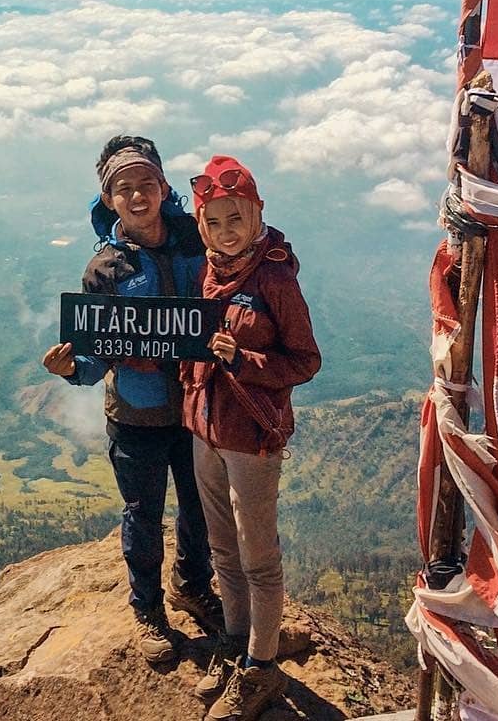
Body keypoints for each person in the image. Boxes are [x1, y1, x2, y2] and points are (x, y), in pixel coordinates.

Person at [41, 135, 223, 664]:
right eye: (125, 190)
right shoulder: (106, 270)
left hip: (196, 406)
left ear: (165, 188)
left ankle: (192, 585)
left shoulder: (198, 238)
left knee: (199, 508)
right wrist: (72, 368)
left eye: (147, 184)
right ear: (109, 202)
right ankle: (147, 609)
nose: (138, 196)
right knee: (143, 513)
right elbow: (98, 353)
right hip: (137, 415)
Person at [181, 155, 321, 721]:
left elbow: (306, 361)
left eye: (234, 217)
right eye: (212, 221)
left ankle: (260, 667)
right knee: (222, 550)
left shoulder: (274, 276)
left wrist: (245, 358)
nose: (224, 230)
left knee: (258, 556)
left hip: (252, 436)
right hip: (204, 428)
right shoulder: (208, 270)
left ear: (256, 213)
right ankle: (239, 643)